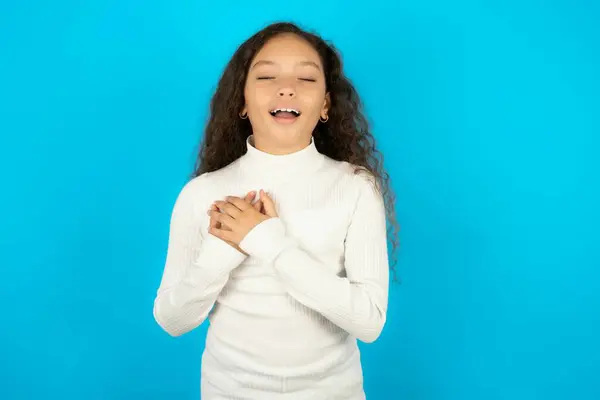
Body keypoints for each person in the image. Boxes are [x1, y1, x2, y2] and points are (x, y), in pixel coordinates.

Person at [152, 21, 399, 399]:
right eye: (266, 76)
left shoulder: (355, 187)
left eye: (307, 78)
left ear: (326, 104)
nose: (287, 88)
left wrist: (267, 242)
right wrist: (220, 254)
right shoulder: (203, 194)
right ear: (242, 100)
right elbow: (172, 320)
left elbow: (369, 322)